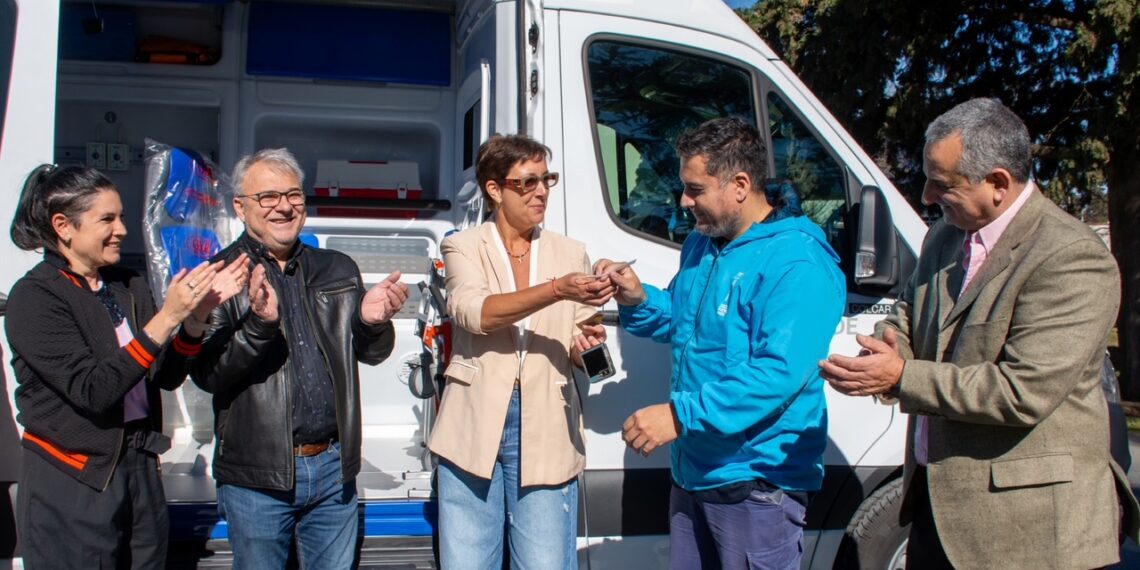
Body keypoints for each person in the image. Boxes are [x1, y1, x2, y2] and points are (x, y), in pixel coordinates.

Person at [819, 98, 1140, 569]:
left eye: (942, 183)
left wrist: (901, 376)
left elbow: (1022, 391)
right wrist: (880, 355)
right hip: (937, 510)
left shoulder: (1070, 256)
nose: (927, 196)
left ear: (998, 183)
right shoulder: (943, 237)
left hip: (1028, 531)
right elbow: (908, 316)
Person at [597, 117, 846, 569]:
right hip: (695, 472)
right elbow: (682, 320)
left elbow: (778, 374)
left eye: (695, 189)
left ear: (740, 185)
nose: (684, 200)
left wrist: (679, 415)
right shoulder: (704, 243)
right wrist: (637, 297)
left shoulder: (798, 261)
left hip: (756, 483)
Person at [6, 164, 248, 569]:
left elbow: (165, 375)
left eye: (120, 217)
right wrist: (168, 317)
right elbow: (93, 390)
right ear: (64, 226)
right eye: (107, 219)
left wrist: (195, 319)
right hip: (74, 476)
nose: (121, 229)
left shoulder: (126, 285)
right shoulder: (34, 298)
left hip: (138, 469)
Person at [189, 148, 409, 569]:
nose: (285, 207)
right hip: (257, 478)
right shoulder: (220, 276)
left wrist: (370, 323)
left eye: (293, 195)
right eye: (268, 197)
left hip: (331, 469)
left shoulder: (337, 269)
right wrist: (259, 327)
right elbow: (207, 374)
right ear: (240, 207)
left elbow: (372, 354)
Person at [428, 134, 613, 569]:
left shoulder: (572, 252)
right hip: (472, 423)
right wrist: (556, 289)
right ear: (494, 189)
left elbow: (588, 354)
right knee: (468, 562)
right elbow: (476, 314)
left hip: (547, 422)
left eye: (547, 179)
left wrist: (588, 347)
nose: (542, 191)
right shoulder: (463, 245)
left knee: (545, 562)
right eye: (527, 182)